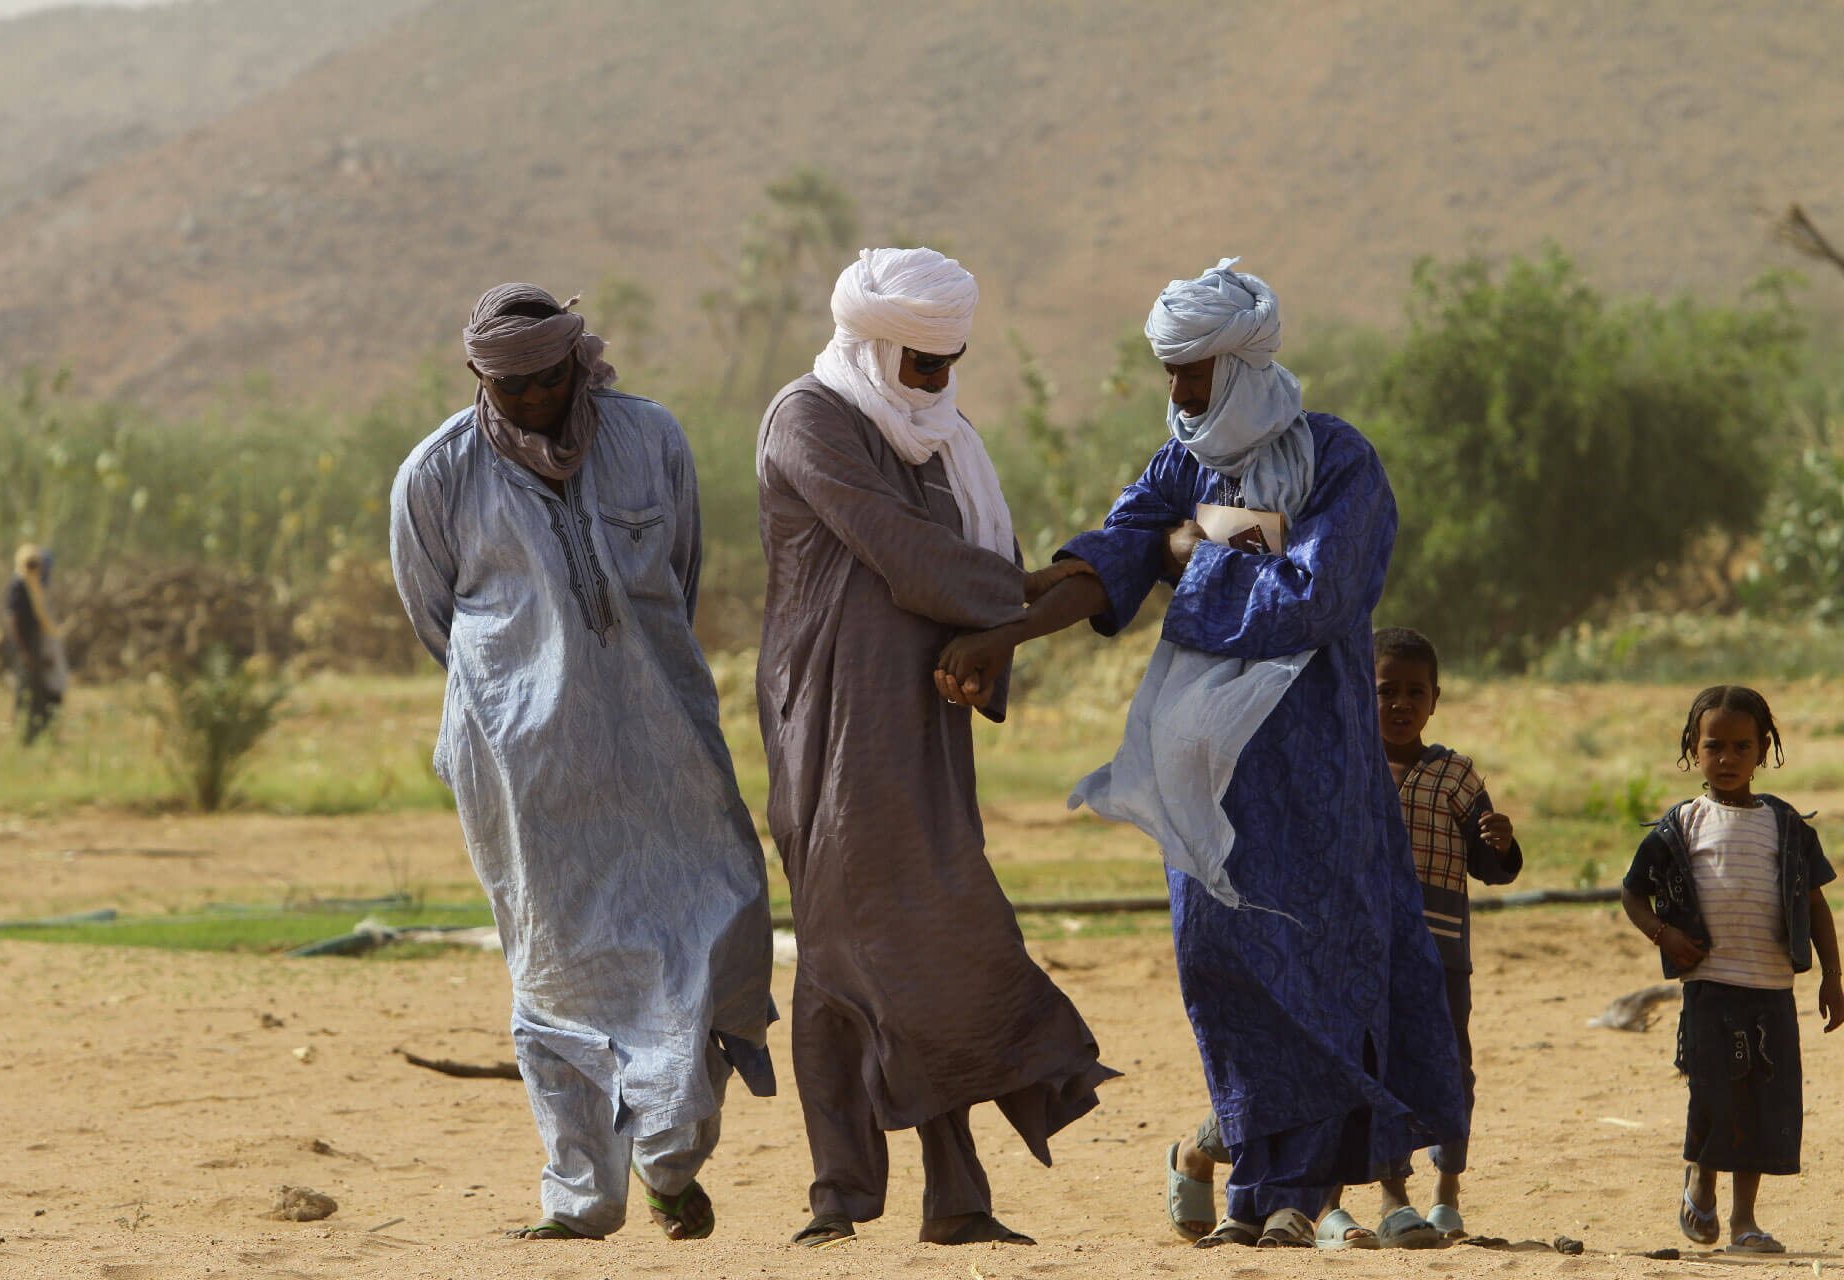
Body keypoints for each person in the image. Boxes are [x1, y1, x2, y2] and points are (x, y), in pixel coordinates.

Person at [936, 258, 1466, 1248]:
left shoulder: (1340, 461)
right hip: (1203, 774)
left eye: (1194, 372)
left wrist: (1195, 550)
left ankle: (1291, 1193)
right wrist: (1001, 623)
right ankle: (1262, 1186)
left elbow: (1311, 597)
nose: (1177, 394)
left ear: (1243, 362)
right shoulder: (1181, 466)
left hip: (1316, 765)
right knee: (1219, 963)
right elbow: (1112, 559)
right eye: (1169, 371)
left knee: (1315, 954)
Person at [390, 283, 775, 1242]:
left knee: (712, 932)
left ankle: (667, 1156)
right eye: (506, 384)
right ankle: (581, 1196)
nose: (528, 400)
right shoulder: (437, 475)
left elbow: (677, 578)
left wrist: (622, 680)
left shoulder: (651, 440)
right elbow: (436, 618)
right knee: (554, 968)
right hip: (525, 767)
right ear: (479, 375)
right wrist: (532, 697)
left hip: (664, 744)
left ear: (579, 360)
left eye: (546, 378)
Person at [755, 247, 1117, 1249]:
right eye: (921, 365)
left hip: (918, 717)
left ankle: (953, 1194)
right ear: (875, 343)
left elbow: (964, 556)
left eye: (948, 363)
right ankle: (843, 1189)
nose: (936, 382)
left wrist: (1009, 617)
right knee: (846, 941)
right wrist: (1033, 599)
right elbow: (906, 553)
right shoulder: (810, 418)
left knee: (931, 922)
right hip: (827, 718)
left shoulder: (942, 439)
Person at [1315, 626, 1522, 1246]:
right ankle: (1335, 1202)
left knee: (1446, 1065)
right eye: (1386, 691)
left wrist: (1502, 843)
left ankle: (1445, 1192)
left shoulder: (1456, 777)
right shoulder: (1343, 763)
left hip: (1439, 954)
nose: (1400, 704)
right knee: (1357, 1066)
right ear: (1360, 692)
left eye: (1414, 692)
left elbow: (1493, 868)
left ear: (1436, 699)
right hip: (1356, 949)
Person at [1620, 685, 1841, 1254]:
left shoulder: (1786, 825)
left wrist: (1833, 977)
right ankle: (1701, 1179)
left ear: (1763, 750)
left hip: (1771, 987)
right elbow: (1632, 893)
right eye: (1714, 746)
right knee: (1714, 1094)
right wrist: (1664, 935)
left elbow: (1816, 904)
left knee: (1764, 1101)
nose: (1727, 758)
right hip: (1710, 986)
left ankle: (1745, 1221)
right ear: (1693, 749)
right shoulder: (1684, 823)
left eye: (1742, 746)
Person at [5, 543, 67, 744]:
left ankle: (37, 736)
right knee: (26, 692)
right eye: (30, 564)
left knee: (40, 691)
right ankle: (24, 738)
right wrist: (25, 652)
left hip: (34, 646)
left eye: (36, 564)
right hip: (25, 648)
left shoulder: (34, 587)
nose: (34, 569)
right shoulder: (18, 587)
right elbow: (14, 622)